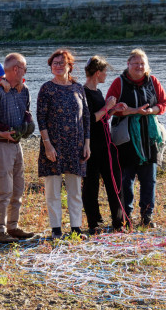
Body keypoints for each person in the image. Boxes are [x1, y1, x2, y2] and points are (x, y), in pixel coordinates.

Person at [106, 48, 166, 227]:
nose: (139, 66)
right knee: (126, 178)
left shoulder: (153, 81)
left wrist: (151, 110)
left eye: (142, 63)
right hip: (126, 138)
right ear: (128, 64)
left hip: (149, 137)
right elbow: (108, 109)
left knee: (149, 179)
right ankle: (126, 216)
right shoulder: (119, 82)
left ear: (146, 65)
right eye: (136, 63)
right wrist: (128, 111)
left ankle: (147, 217)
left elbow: (163, 104)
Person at [36, 49, 90, 240]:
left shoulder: (78, 88)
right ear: (51, 67)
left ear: (69, 66)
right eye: (54, 63)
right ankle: (56, 230)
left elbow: (86, 118)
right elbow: (40, 119)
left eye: (62, 62)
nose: (58, 66)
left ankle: (76, 229)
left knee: (75, 191)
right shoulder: (46, 88)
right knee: (53, 191)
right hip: (54, 145)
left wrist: (87, 144)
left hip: (75, 146)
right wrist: (47, 145)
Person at [0, 53, 34, 243]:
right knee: (5, 189)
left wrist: (28, 124)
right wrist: (1, 133)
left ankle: (13, 226)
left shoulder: (24, 89)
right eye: (24, 69)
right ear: (16, 69)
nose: (26, 73)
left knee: (18, 187)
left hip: (16, 144)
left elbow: (26, 111)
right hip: (0, 144)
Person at [82, 56, 127, 234]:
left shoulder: (98, 92)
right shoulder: (84, 92)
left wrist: (114, 109)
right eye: (105, 72)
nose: (106, 75)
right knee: (91, 184)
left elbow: (102, 117)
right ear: (98, 73)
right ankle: (94, 223)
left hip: (106, 144)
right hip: (91, 145)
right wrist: (107, 107)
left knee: (114, 181)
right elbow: (90, 119)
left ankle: (120, 221)